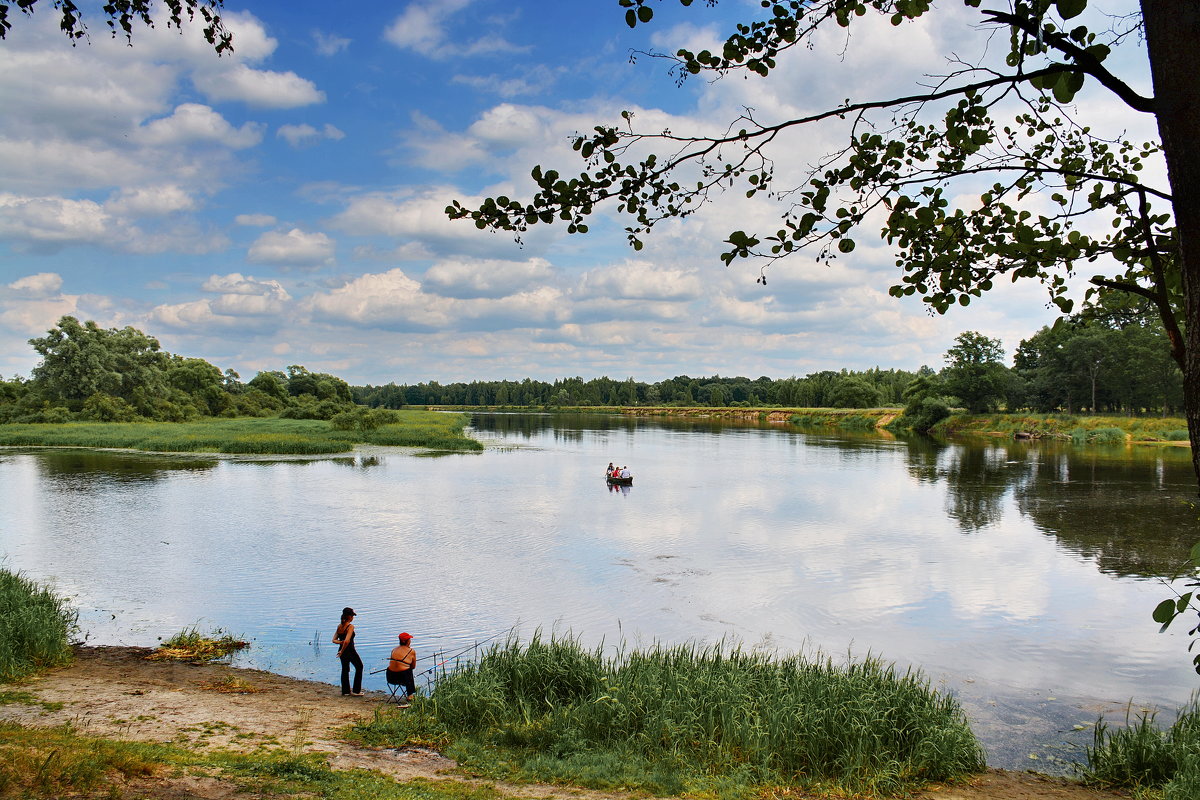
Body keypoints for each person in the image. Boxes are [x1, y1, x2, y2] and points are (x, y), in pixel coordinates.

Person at [333, 607, 363, 696]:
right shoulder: (350, 626)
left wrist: (340, 643)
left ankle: (345, 691)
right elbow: (347, 641)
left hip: (342, 650)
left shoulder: (339, 626)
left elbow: (334, 640)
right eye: (352, 616)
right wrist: (342, 650)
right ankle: (356, 691)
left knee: (345, 669)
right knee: (359, 667)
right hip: (349, 650)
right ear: (349, 616)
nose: (353, 618)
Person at [386, 632, 417, 705]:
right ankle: (410, 695)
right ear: (405, 641)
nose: (410, 641)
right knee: (408, 670)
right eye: (409, 639)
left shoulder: (394, 650)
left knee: (406, 669)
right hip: (403, 679)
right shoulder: (411, 651)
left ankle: (410, 695)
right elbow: (413, 667)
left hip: (390, 678)